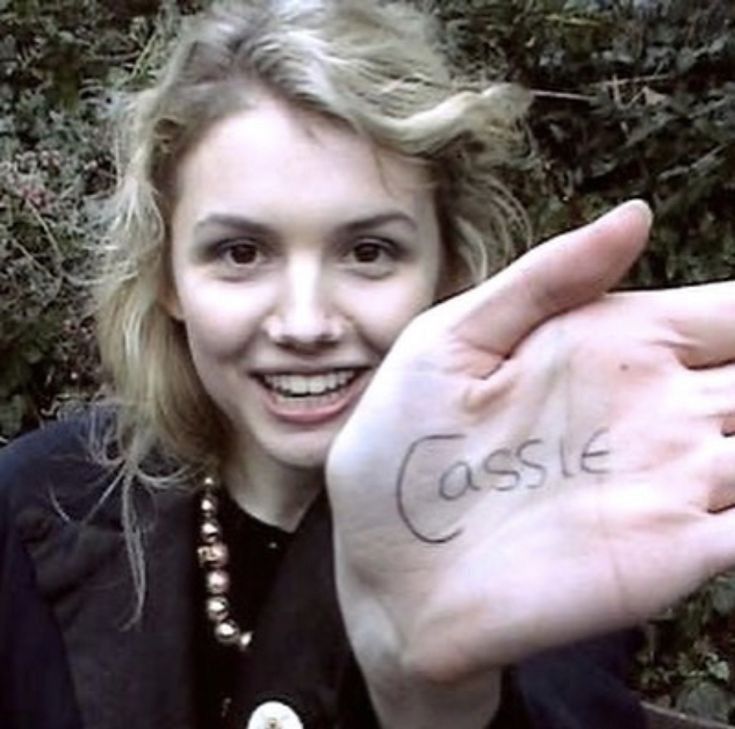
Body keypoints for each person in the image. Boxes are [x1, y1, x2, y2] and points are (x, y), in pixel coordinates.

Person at [2, 1, 735, 728]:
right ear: (167, 275)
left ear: (446, 270)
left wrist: (436, 703)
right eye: (240, 253)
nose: (305, 324)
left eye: (368, 252)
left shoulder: (532, 514)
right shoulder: (34, 503)